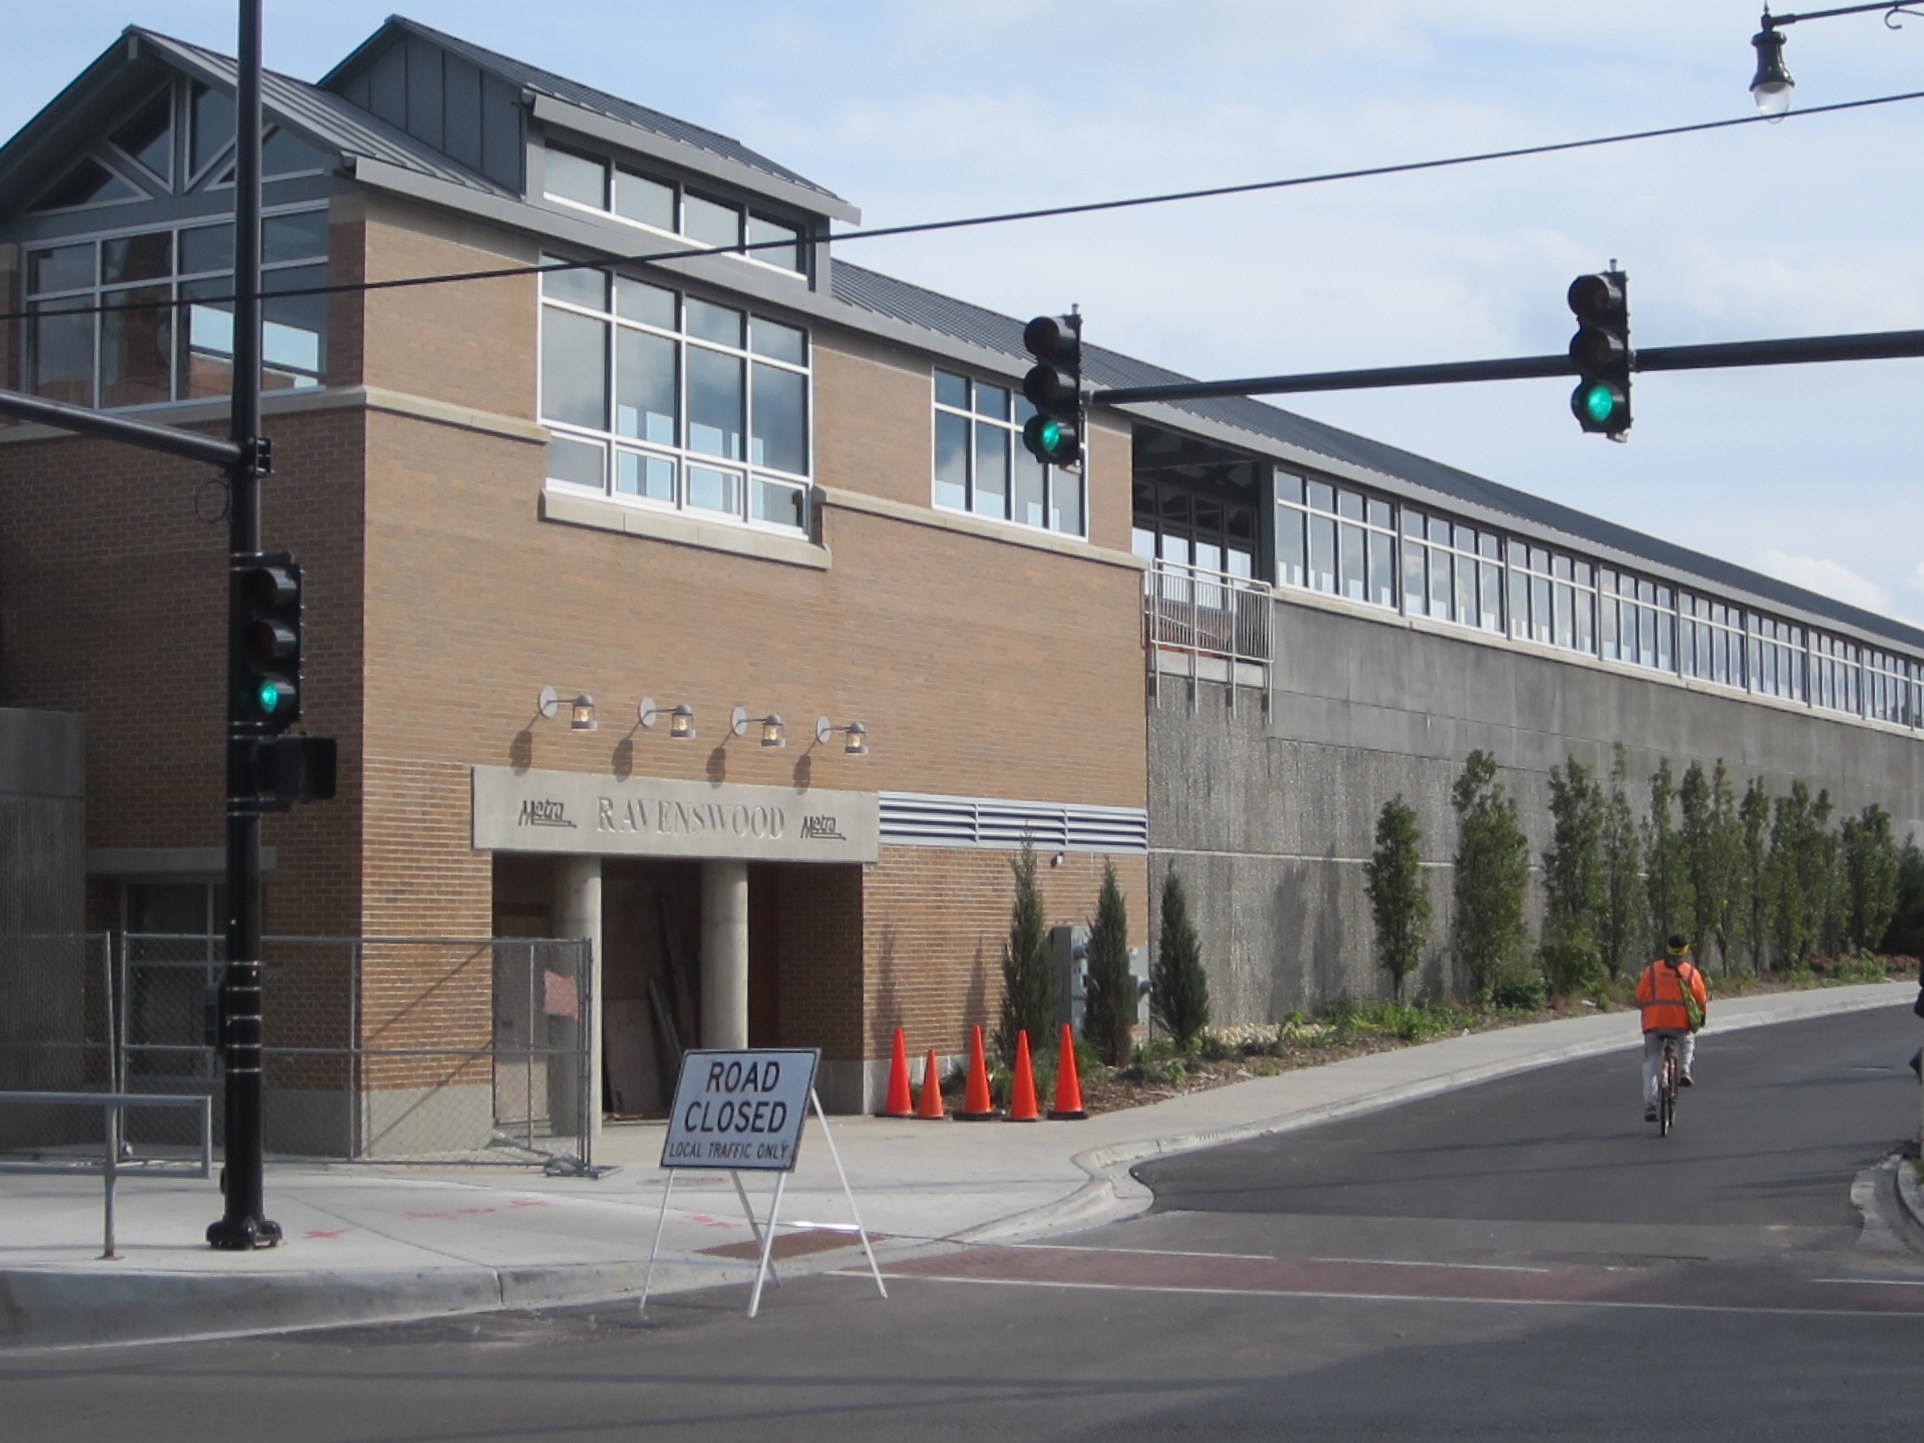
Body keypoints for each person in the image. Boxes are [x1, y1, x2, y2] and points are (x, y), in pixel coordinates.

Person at [1635, 934, 1709, 1123]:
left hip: (1654, 1024)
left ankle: (1651, 1103)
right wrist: (1700, 1016)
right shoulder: (1690, 973)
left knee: (1651, 1061)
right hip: (1680, 1025)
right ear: (1685, 951)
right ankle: (1684, 1070)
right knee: (1687, 1040)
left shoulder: (1652, 970)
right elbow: (1701, 999)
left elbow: (1639, 996)